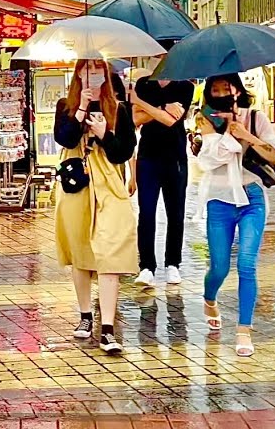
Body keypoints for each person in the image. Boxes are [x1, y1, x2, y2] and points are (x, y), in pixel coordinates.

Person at [195, 74, 275, 358]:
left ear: (237, 89)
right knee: (220, 268)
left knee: (247, 264)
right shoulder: (203, 120)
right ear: (209, 93)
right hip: (219, 201)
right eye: (215, 89)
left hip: (252, 199)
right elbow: (210, 159)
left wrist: (246, 134)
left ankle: (243, 329)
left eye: (227, 87)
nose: (222, 92)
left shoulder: (256, 117)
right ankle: (209, 298)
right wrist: (227, 134)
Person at [54, 59, 138, 355]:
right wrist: (80, 111)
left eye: (98, 70)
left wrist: (105, 133)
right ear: (78, 73)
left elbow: (123, 153)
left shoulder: (120, 109)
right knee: (81, 251)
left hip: (110, 185)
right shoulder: (65, 105)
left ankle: (108, 328)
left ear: (106, 74)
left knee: (111, 250)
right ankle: (85, 315)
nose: (93, 75)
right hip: (77, 184)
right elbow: (63, 138)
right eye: (87, 70)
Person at [129, 69, 193, 287]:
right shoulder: (143, 84)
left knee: (176, 213)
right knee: (146, 212)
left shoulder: (185, 86)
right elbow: (136, 119)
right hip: (147, 157)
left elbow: (170, 121)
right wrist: (163, 108)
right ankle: (146, 266)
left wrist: (143, 104)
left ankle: (173, 263)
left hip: (175, 158)